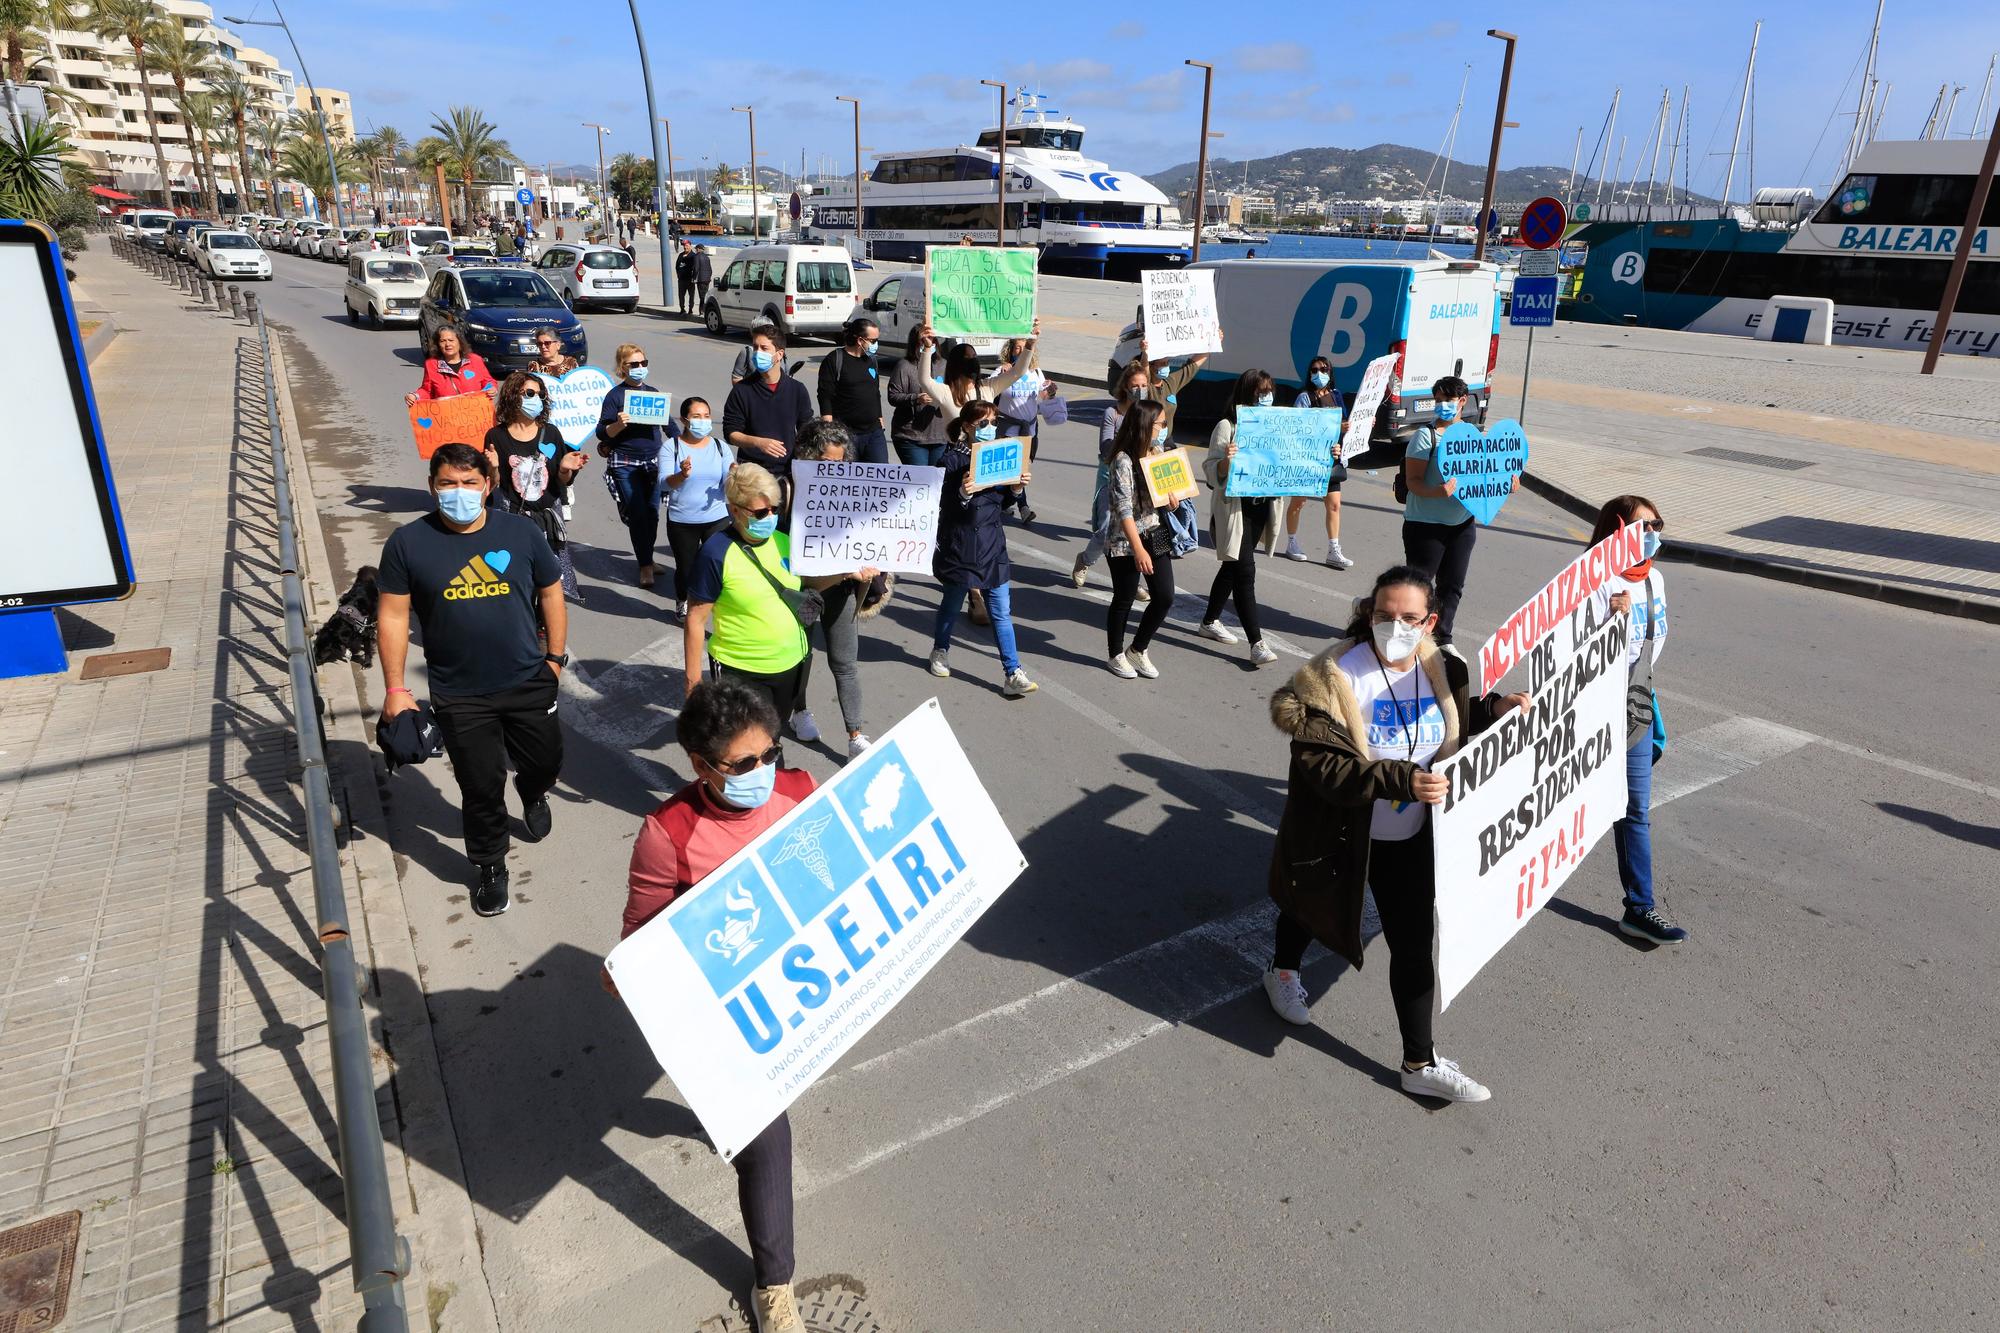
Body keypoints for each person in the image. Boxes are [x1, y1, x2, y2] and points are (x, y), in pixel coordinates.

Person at [1261, 565, 1528, 1101]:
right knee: (1310, 907)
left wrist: (1493, 710)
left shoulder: (1443, 667)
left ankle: (1419, 1061)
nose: (1395, 626)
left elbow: (1450, 725)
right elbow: (1321, 764)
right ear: (1369, 613)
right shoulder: (1332, 678)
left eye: (1409, 617)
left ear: (1430, 621)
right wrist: (1400, 778)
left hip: (1412, 838)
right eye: (1385, 615)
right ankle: (1282, 971)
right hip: (1343, 830)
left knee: (1412, 945)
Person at [610, 679, 811, 1333]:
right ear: (701, 764)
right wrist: (629, 974)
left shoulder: (802, 792)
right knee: (767, 1138)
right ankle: (774, 1284)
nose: (763, 771)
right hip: (723, 1018)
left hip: (796, 993)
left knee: (754, 1128)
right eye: (744, 763)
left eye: (770, 754)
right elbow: (640, 938)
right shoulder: (667, 834)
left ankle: (716, 1117)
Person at [376, 443, 566, 917]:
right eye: (447, 483)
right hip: (459, 693)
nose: (458, 492)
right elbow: (394, 618)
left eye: (468, 483)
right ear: (432, 487)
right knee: (480, 786)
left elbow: (551, 591)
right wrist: (396, 689)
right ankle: (491, 865)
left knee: (546, 761)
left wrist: (556, 660)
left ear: (488, 485)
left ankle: (532, 789)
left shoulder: (520, 533)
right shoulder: (408, 543)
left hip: (527, 679)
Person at [1588, 494, 1687, 946]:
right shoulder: (1591, 581)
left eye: (1657, 525)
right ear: (1617, 530)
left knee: (1635, 810)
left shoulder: (1657, 580)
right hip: (1591, 708)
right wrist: (1606, 621)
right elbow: (1569, 652)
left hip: (1634, 705)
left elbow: (1650, 648)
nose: (1653, 535)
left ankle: (1639, 908)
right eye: (1643, 526)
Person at [683, 465, 813, 730]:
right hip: (743, 672)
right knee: (747, 748)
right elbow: (695, 620)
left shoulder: (784, 541)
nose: (770, 517)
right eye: (761, 512)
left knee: (773, 738)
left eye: (775, 509)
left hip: (790, 665)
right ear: (735, 510)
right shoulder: (716, 553)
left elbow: (811, 585)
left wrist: (850, 573)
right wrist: (693, 684)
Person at [788, 420, 887, 753]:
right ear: (807, 457)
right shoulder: (787, 490)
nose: (834, 469)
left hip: (843, 591)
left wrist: (873, 562)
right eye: (826, 463)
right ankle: (798, 711)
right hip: (800, 592)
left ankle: (855, 736)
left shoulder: (855, 493)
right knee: (800, 657)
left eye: (840, 463)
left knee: (846, 663)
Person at [927, 401, 1037, 698]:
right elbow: (938, 504)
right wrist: (962, 493)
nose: (991, 429)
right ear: (967, 427)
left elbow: (1000, 505)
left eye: (993, 422)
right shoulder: (949, 460)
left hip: (992, 546)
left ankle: (1012, 672)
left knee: (1001, 612)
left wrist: (1015, 490)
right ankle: (940, 649)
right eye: (983, 424)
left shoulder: (1001, 456)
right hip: (960, 546)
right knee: (951, 604)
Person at [1399, 375, 1509, 646]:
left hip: (1461, 526)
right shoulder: (1425, 437)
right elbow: (1413, 483)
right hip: (1425, 526)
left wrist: (1508, 482)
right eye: (1437, 400)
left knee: (1452, 587)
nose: (1441, 405)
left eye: (1447, 400)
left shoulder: (1473, 436)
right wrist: (1438, 491)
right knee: (1419, 588)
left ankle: (1442, 638)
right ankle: (1405, 633)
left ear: (1462, 401)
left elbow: (1485, 480)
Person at [1198, 369, 1280, 666]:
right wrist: (1225, 464)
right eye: (1260, 393)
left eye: (1269, 392)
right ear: (1247, 394)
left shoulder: (1275, 426)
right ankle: (1256, 643)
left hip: (1260, 509)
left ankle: (1208, 621)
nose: (1266, 398)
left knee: (1232, 568)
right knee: (1245, 572)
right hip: (1235, 510)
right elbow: (1209, 470)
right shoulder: (1227, 426)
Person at [485, 371, 587, 601]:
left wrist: (565, 468)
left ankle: (543, 622)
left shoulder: (550, 432)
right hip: (514, 516)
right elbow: (495, 484)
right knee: (519, 573)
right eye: (530, 393)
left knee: (549, 578)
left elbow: (561, 482)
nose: (536, 399)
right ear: (513, 395)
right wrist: (492, 467)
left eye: (540, 395)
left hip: (548, 516)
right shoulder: (496, 436)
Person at [1103, 398, 1176, 680]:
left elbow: (1162, 495)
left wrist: (1171, 502)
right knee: (1124, 598)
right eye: (1160, 423)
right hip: (1125, 540)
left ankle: (1138, 649)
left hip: (1154, 532)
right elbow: (1123, 510)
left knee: (1165, 596)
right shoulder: (1122, 460)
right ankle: (1115, 654)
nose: (1164, 428)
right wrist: (1137, 550)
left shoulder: (1156, 453)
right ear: (1146, 424)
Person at [1070, 358, 1154, 595]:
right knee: (1107, 528)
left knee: (1135, 529)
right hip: (1112, 477)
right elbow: (1107, 448)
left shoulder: (1147, 412)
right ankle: (1085, 560)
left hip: (1139, 481)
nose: (1140, 390)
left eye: (1144, 385)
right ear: (1125, 387)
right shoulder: (1112, 413)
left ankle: (1131, 578)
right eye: (1135, 385)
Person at [594, 343, 666, 588]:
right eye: (633, 364)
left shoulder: (654, 393)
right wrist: (618, 425)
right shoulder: (615, 397)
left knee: (653, 513)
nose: (639, 368)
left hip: (653, 462)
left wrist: (686, 445)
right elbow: (601, 432)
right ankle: (645, 565)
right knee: (637, 514)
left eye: (643, 363)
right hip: (625, 463)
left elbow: (670, 427)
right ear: (622, 368)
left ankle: (647, 555)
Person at [658, 395, 734, 619]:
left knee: (718, 565)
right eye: (697, 416)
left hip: (717, 517)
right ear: (684, 419)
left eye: (707, 416)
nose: (703, 421)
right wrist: (681, 474)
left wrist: (734, 474)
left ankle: (718, 605)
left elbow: (728, 478)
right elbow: (663, 482)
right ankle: (683, 600)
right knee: (686, 568)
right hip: (683, 521)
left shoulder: (720, 447)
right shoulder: (670, 447)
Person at [1282, 354, 1353, 569]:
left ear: (1330, 373)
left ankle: (1333, 549)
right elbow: (1298, 429)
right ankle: (1292, 542)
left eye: (1323, 369)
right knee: (1298, 502)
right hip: (1308, 460)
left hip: (1331, 459)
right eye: (1314, 370)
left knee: (1334, 505)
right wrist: (1336, 429)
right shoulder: (1304, 398)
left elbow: (1346, 424)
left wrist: (1355, 427)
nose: (1318, 374)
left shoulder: (1337, 395)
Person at [724, 327, 814, 483]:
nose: (757, 353)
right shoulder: (741, 390)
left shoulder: (797, 389)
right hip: (751, 473)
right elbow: (731, 434)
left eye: (764, 348)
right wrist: (759, 443)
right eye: (755, 347)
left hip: (786, 472)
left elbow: (807, 431)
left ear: (779, 354)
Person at [992, 335, 1055, 525]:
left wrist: (1050, 390)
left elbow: (1045, 397)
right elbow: (988, 391)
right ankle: (1023, 507)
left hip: (1029, 430)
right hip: (1008, 428)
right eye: (1017, 348)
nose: (1020, 351)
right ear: (1010, 351)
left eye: (1024, 347)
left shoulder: (1035, 372)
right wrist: (1001, 374)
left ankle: (1006, 504)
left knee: (1022, 471)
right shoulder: (1004, 371)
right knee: (1009, 472)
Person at [815, 318, 889, 465]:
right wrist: (829, 430)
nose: (875, 344)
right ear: (860, 340)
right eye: (873, 340)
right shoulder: (835, 359)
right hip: (846, 434)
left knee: (880, 477)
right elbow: (825, 395)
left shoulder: (871, 360)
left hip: (874, 432)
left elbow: (874, 391)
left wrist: (879, 416)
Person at [888, 323, 949, 467]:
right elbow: (893, 396)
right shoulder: (904, 366)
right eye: (924, 340)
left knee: (936, 483)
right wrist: (916, 398)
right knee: (920, 482)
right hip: (911, 437)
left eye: (932, 340)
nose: (929, 343)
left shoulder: (944, 364)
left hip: (940, 437)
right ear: (915, 342)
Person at [404, 326, 497, 406]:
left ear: (459, 342)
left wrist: (491, 388)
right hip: (448, 420)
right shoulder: (432, 364)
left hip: (474, 418)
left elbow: (488, 381)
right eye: (443, 341)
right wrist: (414, 396)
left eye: (451, 340)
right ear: (438, 345)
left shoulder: (475, 360)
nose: (448, 344)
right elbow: (427, 390)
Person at [674, 240, 697, 317]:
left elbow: (695, 268)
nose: (685, 247)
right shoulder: (680, 255)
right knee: (681, 295)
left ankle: (690, 309)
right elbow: (677, 266)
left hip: (690, 280)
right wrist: (678, 274)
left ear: (690, 246)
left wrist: (694, 277)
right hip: (681, 280)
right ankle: (682, 309)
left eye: (687, 245)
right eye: (684, 245)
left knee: (691, 295)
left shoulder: (693, 256)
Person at [693, 245, 713, 309]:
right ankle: (703, 309)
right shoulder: (707, 257)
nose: (695, 250)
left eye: (696, 249)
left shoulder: (696, 256)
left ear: (698, 249)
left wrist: (694, 277)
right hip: (707, 279)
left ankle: (702, 309)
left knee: (702, 296)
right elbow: (710, 269)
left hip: (701, 279)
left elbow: (696, 268)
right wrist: (709, 277)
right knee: (705, 295)